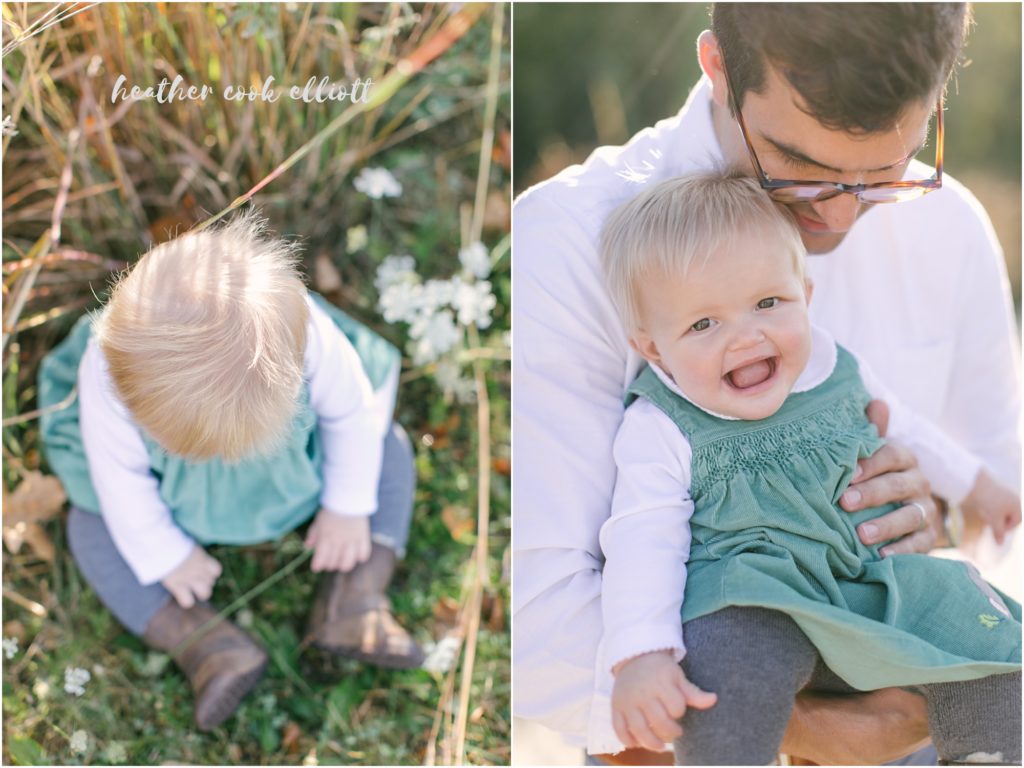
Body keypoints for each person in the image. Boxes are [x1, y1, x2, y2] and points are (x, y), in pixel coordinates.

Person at [512, 3, 1021, 762]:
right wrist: (800, 724)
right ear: (718, 69)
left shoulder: (949, 225)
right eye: (802, 167)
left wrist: (937, 522)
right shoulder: (566, 244)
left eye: (884, 173)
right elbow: (535, 612)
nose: (842, 215)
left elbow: (1001, 509)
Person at [599, 171, 1021, 765]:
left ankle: (988, 754)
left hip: (871, 587)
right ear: (653, 348)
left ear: (806, 296)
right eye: (703, 324)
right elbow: (643, 539)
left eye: (768, 303)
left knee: (991, 640)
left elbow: (910, 430)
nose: (745, 337)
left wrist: (978, 487)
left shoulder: (834, 364)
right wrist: (641, 653)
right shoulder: (661, 425)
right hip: (756, 599)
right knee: (721, 672)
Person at [37, 211, 424, 731]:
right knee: (92, 526)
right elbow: (119, 481)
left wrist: (347, 506)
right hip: (172, 499)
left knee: (386, 446)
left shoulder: (302, 330)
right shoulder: (109, 374)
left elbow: (349, 412)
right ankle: (207, 644)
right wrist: (167, 556)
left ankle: (357, 598)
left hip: (294, 466)